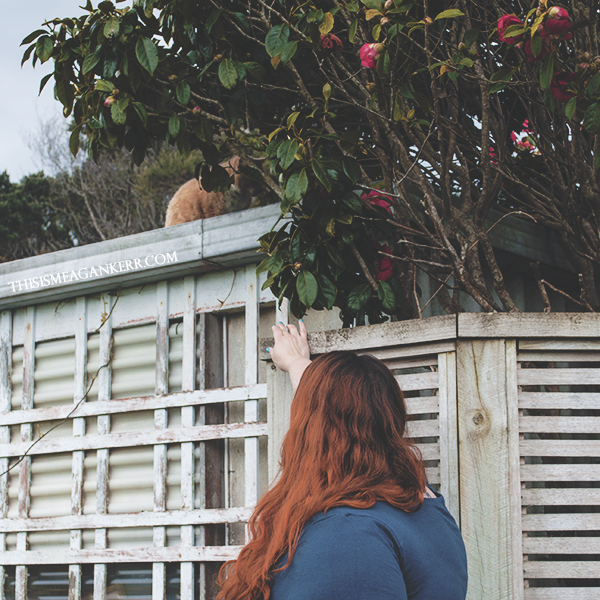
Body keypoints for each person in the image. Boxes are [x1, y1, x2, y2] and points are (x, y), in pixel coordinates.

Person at [217, 321, 468, 600]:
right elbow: (345, 418)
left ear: (311, 430)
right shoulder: (423, 503)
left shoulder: (347, 535)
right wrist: (297, 363)